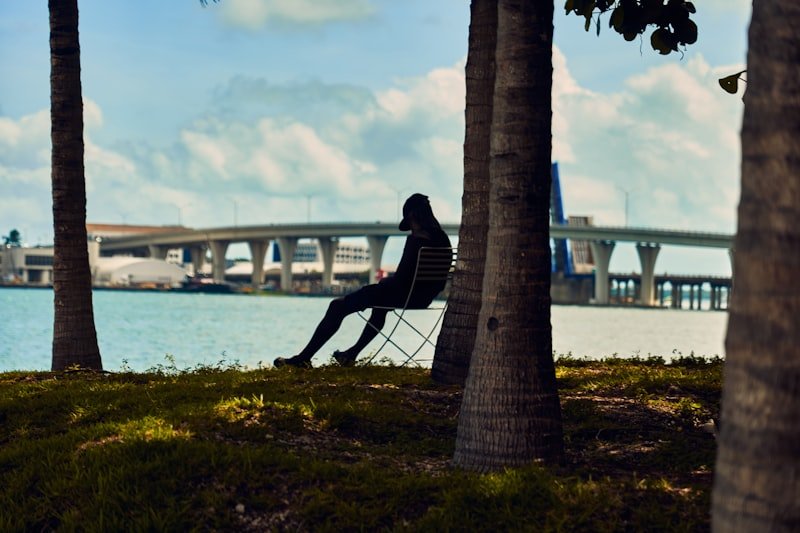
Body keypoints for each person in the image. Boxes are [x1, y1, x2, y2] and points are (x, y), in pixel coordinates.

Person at [274, 193, 452, 369]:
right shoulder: (444, 240)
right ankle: (351, 354)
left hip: (401, 295)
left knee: (337, 306)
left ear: (413, 215)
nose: (411, 227)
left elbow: (401, 278)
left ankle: (304, 358)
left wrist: (384, 283)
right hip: (423, 299)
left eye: (410, 222)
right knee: (379, 309)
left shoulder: (416, 240)